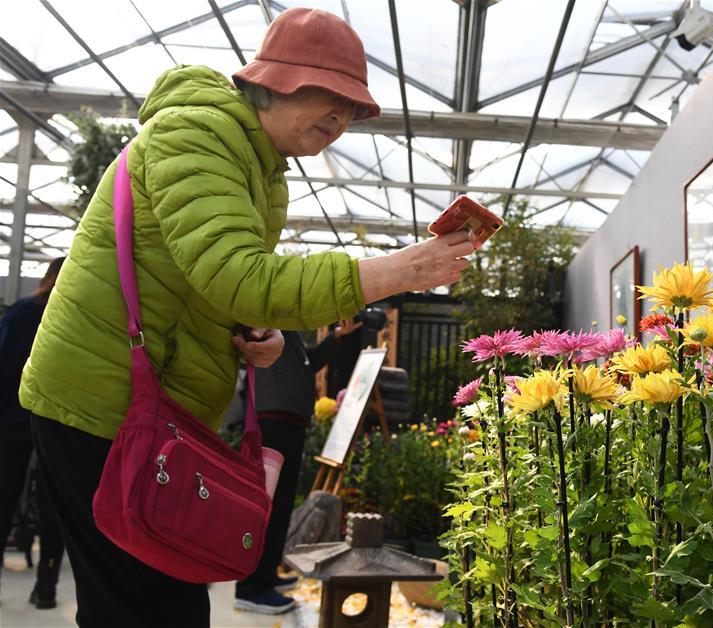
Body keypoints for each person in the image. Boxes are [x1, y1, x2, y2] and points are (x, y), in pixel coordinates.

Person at [18, 8, 474, 627]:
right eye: (332, 97)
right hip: (98, 402)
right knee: (147, 607)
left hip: (137, 406)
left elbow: (212, 281)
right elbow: (235, 274)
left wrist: (255, 332)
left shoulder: (260, 166)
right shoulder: (200, 135)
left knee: (148, 604)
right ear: (277, 79)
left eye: (355, 110)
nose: (342, 120)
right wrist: (397, 270)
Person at [233, 320, 361, 614]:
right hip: (273, 417)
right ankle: (252, 586)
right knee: (268, 504)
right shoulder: (267, 309)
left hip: (286, 418)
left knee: (279, 502)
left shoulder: (287, 329)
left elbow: (308, 363)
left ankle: (265, 576)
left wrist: (336, 337)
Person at [0, 258, 66, 609]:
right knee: (53, 506)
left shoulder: (23, 312)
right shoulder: (79, 318)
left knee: (4, 497)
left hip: (12, 420)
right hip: (58, 425)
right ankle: (46, 587)